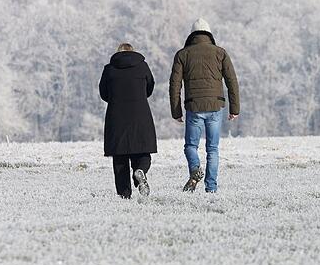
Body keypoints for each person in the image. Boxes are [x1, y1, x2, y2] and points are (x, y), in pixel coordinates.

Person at [169, 18, 240, 193]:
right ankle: (211, 187)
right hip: (215, 106)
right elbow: (232, 81)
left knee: (191, 146)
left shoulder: (182, 54)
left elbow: (174, 85)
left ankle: (195, 169)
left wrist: (176, 111)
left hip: (194, 106)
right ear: (209, 34)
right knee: (213, 149)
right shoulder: (220, 53)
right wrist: (234, 109)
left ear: (192, 35)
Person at [99, 43, 158, 198]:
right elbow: (150, 87)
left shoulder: (109, 69)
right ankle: (140, 171)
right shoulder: (142, 66)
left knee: (120, 158)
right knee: (143, 152)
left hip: (116, 117)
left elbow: (103, 93)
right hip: (140, 115)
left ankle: (124, 195)